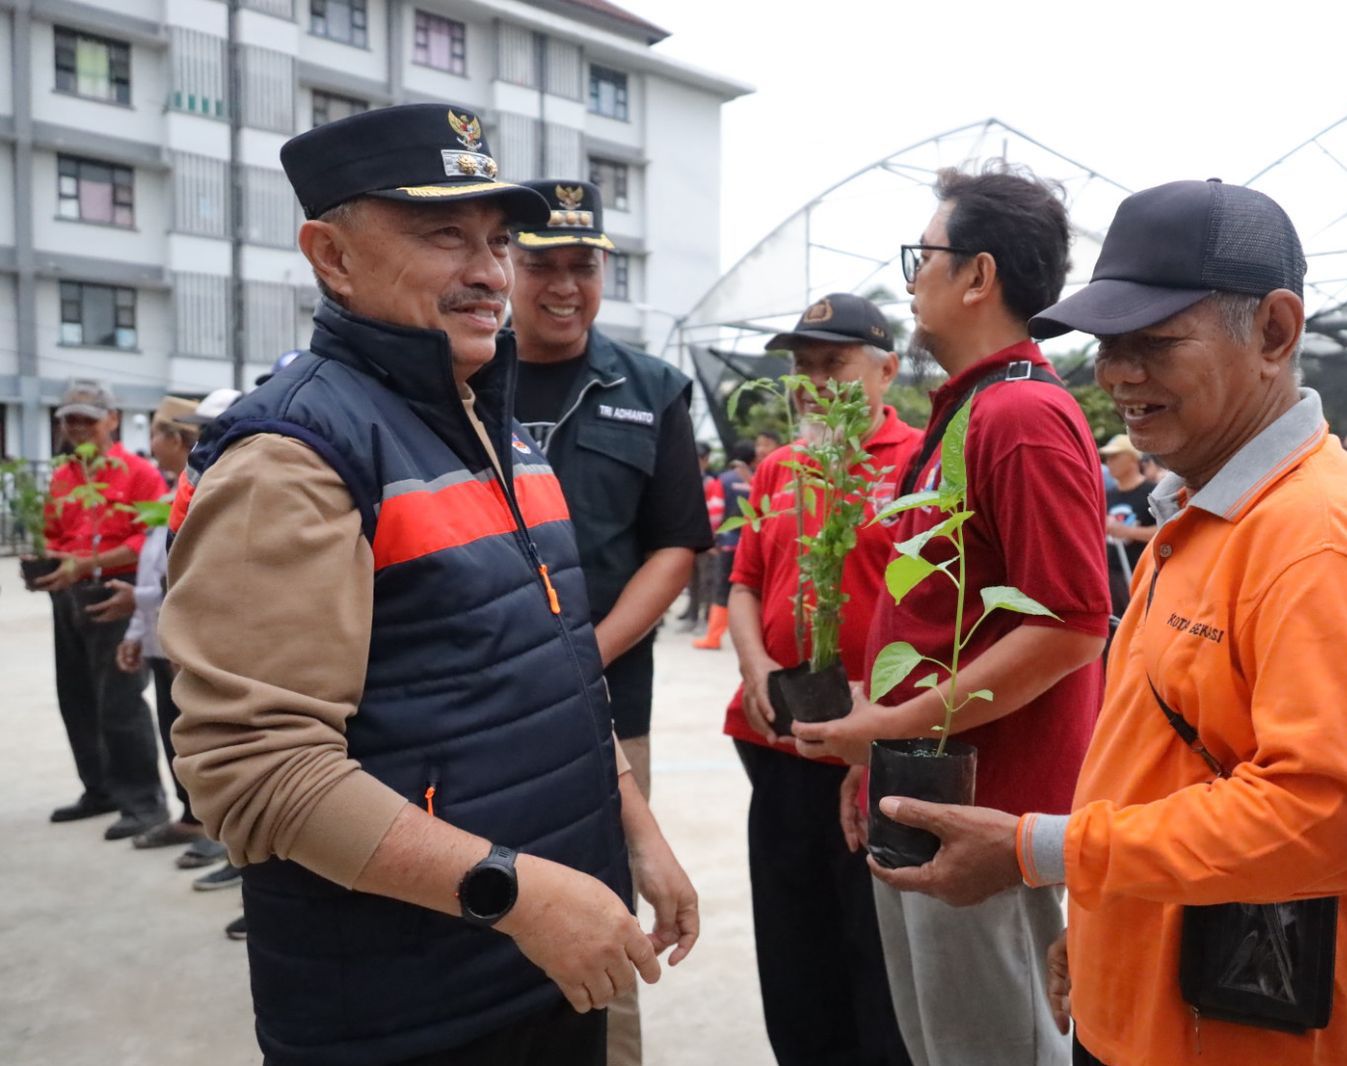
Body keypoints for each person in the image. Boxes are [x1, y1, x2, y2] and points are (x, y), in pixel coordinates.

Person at [159, 104, 697, 1066]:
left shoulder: (500, 430)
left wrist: (636, 829)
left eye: (498, 240)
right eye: (443, 233)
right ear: (331, 255)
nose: (489, 271)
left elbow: (556, 668)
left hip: (544, 960)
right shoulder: (292, 456)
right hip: (411, 1001)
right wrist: (516, 893)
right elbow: (253, 772)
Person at [868, 178, 1347, 1066]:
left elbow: (1317, 814)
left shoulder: (1309, 539)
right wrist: (1095, 921)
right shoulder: (1206, 516)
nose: (1118, 374)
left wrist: (1036, 851)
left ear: (1275, 333)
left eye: (1156, 343)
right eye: (1108, 343)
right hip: (1155, 1001)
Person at [794, 164, 1110, 1066]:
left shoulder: (1020, 416)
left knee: (991, 1047)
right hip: (932, 792)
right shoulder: (970, 414)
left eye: (921, 257)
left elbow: (1071, 624)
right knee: (944, 1045)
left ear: (977, 275)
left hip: (988, 816)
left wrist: (889, 728)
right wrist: (881, 752)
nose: (908, 280)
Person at [508, 177, 711, 1066]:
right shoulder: (460, 373)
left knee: (600, 909)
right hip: (474, 695)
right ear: (504, 267)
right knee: (480, 902)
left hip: (606, 702)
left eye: (582, 265)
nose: (563, 286)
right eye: (540, 264)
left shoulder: (651, 389)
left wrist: (586, 652)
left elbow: (674, 545)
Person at [726, 293, 920, 1066]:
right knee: (793, 954)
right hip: (774, 743)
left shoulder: (916, 464)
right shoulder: (778, 467)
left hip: (871, 752)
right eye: (802, 367)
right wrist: (755, 667)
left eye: (832, 364)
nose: (813, 383)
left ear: (886, 371)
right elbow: (742, 581)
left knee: (874, 962)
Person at [32, 380, 168, 840]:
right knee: (76, 695)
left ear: (112, 419)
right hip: (68, 592)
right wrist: (51, 561)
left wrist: (87, 562)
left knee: (120, 700)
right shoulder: (65, 475)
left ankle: (144, 802)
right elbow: (52, 529)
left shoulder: (138, 473)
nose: (77, 427)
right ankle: (100, 788)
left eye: (87, 419)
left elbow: (146, 536)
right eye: (69, 419)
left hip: (115, 587)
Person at [694, 439, 756, 650]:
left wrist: (711, 538)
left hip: (728, 542)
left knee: (721, 589)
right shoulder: (756, 479)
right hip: (749, 544)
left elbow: (716, 510)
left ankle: (713, 636)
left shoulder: (724, 480)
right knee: (750, 590)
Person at [1099, 433, 1156, 617]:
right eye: (1107, 458)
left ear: (1132, 459)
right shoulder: (1109, 494)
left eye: (1115, 457)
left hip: (1142, 576)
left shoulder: (1152, 492)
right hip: (1112, 575)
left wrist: (1126, 531)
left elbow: (1166, 530)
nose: (1109, 462)